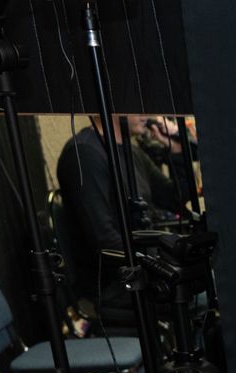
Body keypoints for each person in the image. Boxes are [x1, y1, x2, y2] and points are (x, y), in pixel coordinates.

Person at [54, 115, 192, 318]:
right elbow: (104, 240)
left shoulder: (131, 152)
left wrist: (177, 149)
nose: (146, 114)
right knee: (202, 296)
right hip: (116, 283)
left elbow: (174, 198)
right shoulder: (84, 153)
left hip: (142, 267)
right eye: (136, 105)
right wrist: (161, 263)